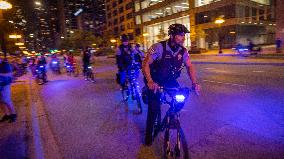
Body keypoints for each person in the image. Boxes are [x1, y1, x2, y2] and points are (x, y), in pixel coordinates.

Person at [142, 23, 200, 146]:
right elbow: (146, 64)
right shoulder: (159, 47)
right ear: (172, 36)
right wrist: (150, 81)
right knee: (154, 108)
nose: (183, 38)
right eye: (180, 35)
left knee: (181, 98)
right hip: (155, 80)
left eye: (184, 35)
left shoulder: (183, 51)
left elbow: (189, 66)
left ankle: (171, 116)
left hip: (169, 80)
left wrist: (194, 83)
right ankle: (148, 136)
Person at [0, 58, 17, 123]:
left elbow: (10, 74)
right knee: (0, 101)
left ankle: (13, 114)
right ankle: (6, 115)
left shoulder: (5, 64)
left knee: (6, 100)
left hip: (5, 84)